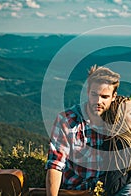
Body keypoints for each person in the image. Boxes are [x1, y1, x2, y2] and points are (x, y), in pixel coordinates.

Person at [45, 65, 120, 196]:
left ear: (114, 96)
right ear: (87, 92)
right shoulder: (67, 121)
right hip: (75, 191)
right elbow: (55, 166)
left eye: (104, 97)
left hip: (108, 190)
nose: (98, 101)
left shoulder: (117, 120)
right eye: (94, 94)